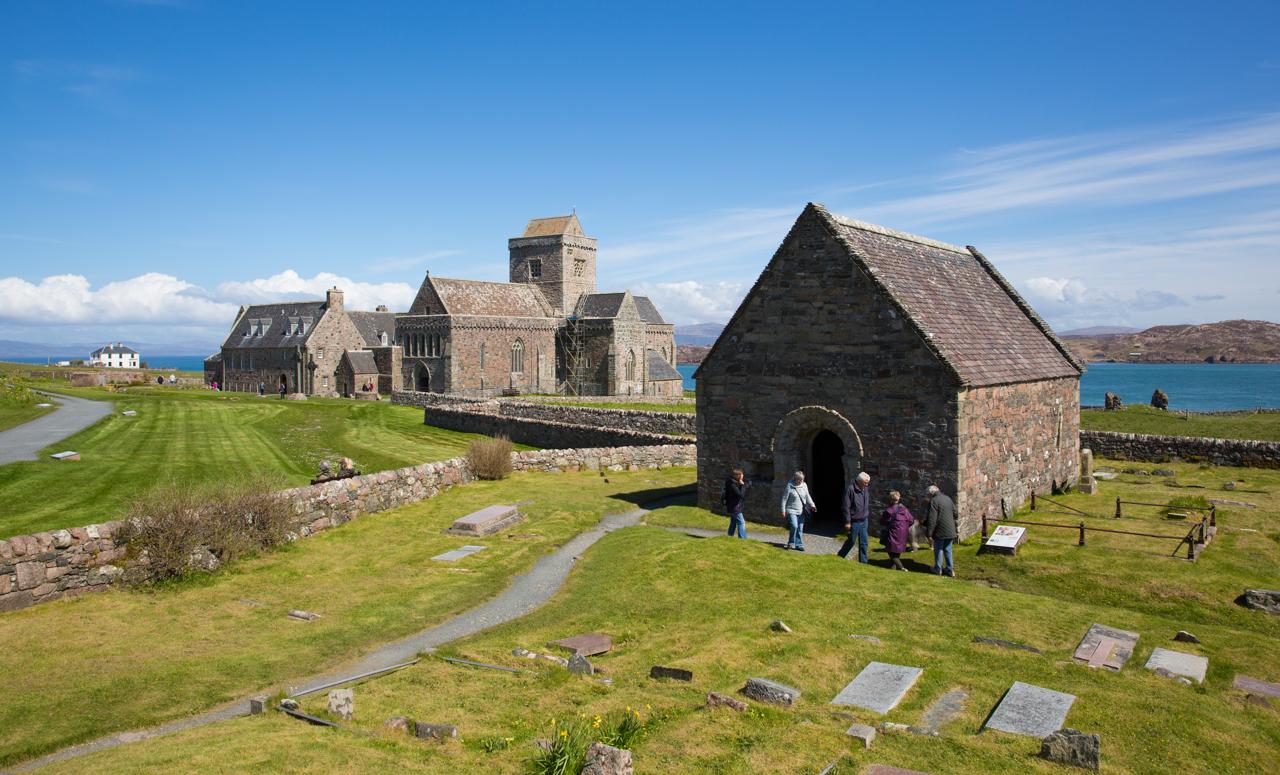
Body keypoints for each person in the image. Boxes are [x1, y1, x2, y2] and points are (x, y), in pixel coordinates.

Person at [923, 485, 958, 576]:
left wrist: (929, 533)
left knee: (938, 548)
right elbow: (955, 513)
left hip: (940, 530)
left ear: (931, 493)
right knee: (948, 549)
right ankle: (950, 570)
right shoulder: (948, 498)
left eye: (927, 494)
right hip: (950, 529)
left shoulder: (933, 501)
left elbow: (932, 519)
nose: (927, 496)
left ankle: (938, 569)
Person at [838, 472, 872, 563]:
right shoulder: (850, 490)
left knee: (864, 543)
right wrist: (848, 522)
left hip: (864, 520)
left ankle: (863, 563)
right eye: (865, 482)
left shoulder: (865, 489)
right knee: (851, 541)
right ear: (859, 481)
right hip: (855, 521)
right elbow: (846, 507)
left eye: (868, 482)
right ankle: (840, 557)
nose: (867, 484)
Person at [780, 471, 816, 551]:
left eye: (802, 480)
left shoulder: (804, 485)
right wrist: (783, 510)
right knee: (794, 525)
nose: (800, 481)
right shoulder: (789, 486)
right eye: (798, 480)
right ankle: (791, 543)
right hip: (791, 510)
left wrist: (812, 505)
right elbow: (784, 499)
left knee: (800, 528)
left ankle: (799, 544)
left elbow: (807, 496)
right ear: (795, 479)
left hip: (801, 510)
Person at [879, 490, 915, 571]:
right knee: (896, 551)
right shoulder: (904, 509)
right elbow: (911, 520)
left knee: (890, 552)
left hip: (893, 533)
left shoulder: (889, 510)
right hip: (903, 534)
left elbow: (882, 522)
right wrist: (904, 526)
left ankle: (901, 567)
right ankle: (892, 568)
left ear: (890, 499)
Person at [721, 468, 749, 539]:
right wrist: (743, 486)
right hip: (734, 506)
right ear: (738, 476)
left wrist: (740, 484)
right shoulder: (732, 485)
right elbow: (740, 495)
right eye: (742, 474)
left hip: (731, 506)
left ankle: (730, 537)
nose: (743, 475)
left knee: (733, 522)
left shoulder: (731, 482)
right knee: (741, 522)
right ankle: (742, 538)